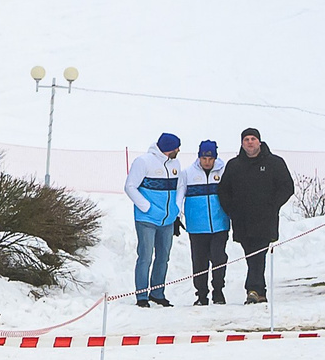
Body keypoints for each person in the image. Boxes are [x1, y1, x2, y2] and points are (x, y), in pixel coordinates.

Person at [218, 127, 296, 305]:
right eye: (246, 139)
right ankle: (259, 291)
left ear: (259, 142)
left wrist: (272, 205)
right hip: (242, 220)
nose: (250, 142)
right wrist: (232, 210)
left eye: (253, 139)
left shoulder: (274, 163)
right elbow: (223, 190)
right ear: (242, 143)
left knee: (258, 254)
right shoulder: (234, 165)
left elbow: (287, 187)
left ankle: (253, 289)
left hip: (264, 219)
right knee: (251, 255)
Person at [125, 134, 183, 307]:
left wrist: (176, 211)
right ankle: (141, 296)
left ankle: (157, 292)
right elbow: (130, 186)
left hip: (168, 220)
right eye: (176, 147)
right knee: (145, 256)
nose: (178, 151)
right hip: (146, 219)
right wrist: (147, 208)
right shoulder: (143, 162)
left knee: (163, 256)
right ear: (168, 148)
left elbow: (179, 187)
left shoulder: (176, 164)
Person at [181, 140, 231, 306]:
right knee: (199, 261)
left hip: (219, 225)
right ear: (199, 157)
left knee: (218, 257)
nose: (207, 162)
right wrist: (175, 216)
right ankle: (201, 294)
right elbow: (179, 196)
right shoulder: (188, 173)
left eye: (210, 158)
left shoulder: (224, 172)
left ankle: (218, 290)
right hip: (197, 226)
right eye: (204, 158)